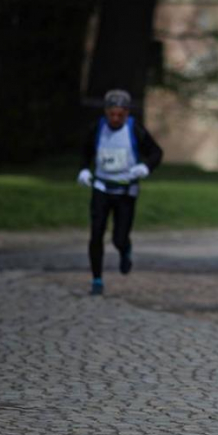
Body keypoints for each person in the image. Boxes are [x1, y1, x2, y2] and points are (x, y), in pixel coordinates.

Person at [77, 89, 163, 295]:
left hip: (126, 191)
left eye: (120, 115)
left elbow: (156, 152)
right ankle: (97, 279)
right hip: (101, 188)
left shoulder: (135, 130)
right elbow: (85, 151)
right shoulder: (96, 129)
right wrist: (83, 170)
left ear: (127, 113)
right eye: (111, 114)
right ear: (106, 112)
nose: (115, 119)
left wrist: (145, 167)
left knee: (119, 237)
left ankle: (125, 249)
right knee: (96, 233)